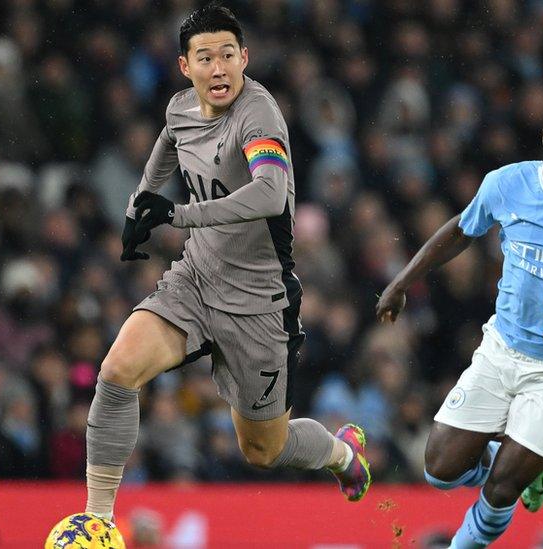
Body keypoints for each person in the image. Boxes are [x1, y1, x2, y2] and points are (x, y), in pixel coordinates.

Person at [83, 4, 371, 522]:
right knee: (117, 371)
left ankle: (341, 454)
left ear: (245, 58)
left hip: (259, 305)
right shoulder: (180, 109)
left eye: (227, 56)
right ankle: (97, 520)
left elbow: (269, 193)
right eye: (205, 58)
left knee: (263, 450)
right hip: (195, 281)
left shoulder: (258, 115)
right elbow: (171, 141)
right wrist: (139, 203)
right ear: (184, 66)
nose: (218, 69)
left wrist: (176, 212)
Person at [377, 91, 543, 548]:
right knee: (439, 472)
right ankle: (511, 456)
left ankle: (501, 493)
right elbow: (461, 229)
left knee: (501, 490)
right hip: (501, 348)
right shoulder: (507, 183)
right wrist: (402, 281)